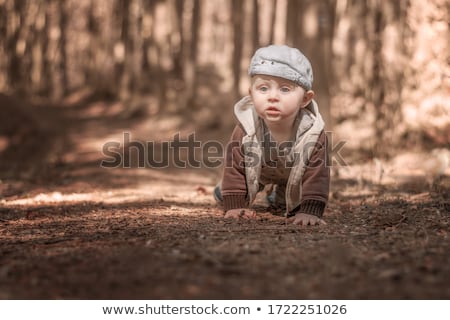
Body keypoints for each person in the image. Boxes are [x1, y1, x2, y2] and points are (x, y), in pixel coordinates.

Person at [214, 44, 330, 226]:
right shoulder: (247, 127)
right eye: (263, 88)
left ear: (305, 99)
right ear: (251, 95)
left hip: (294, 175)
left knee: (286, 204)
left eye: (285, 89)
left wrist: (311, 211)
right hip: (257, 173)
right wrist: (234, 203)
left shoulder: (313, 133)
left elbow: (317, 175)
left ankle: (278, 195)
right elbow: (235, 166)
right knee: (227, 195)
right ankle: (225, 192)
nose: (272, 97)